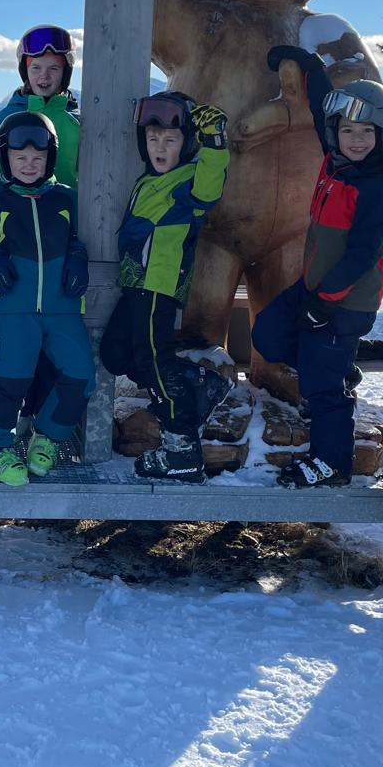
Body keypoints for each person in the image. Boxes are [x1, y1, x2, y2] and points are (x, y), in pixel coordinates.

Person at [250, 50, 383, 487]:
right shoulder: (337, 157)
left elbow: (361, 254)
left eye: (366, 132)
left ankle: (331, 462)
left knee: (321, 387)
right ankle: (339, 367)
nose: (355, 139)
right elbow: (324, 104)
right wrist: (308, 65)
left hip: (346, 301)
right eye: (347, 131)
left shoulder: (380, 187)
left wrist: (323, 304)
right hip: (317, 287)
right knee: (267, 334)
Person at [102, 93, 234, 483]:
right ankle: (200, 384)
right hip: (135, 283)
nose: (160, 147)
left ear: (186, 143)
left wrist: (214, 142)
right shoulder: (150, 180)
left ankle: (182, 450)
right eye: (153, 138)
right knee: (115, 354)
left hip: (157, 283)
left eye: (171, 140)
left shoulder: (188, 182)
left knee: (153, 362)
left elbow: (210, 186)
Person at [0, 112, 95, 485]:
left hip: (63, 307)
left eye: (37, 158)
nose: (28, 164)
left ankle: (48, 436)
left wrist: (78, 257)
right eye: (19, 157)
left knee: (81, 375)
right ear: (5, 158)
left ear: (50, 159)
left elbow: (79, 238)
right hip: (16, 306)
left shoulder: (67, 199)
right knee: (14, 376)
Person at [0, 24, 81, 187]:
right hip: (15, 201)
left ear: (65, 73)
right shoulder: (6, 119)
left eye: (54, 68)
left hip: (68, 201)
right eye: (36, 68)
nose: (44, 75)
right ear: (25, 71)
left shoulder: (76, 121)